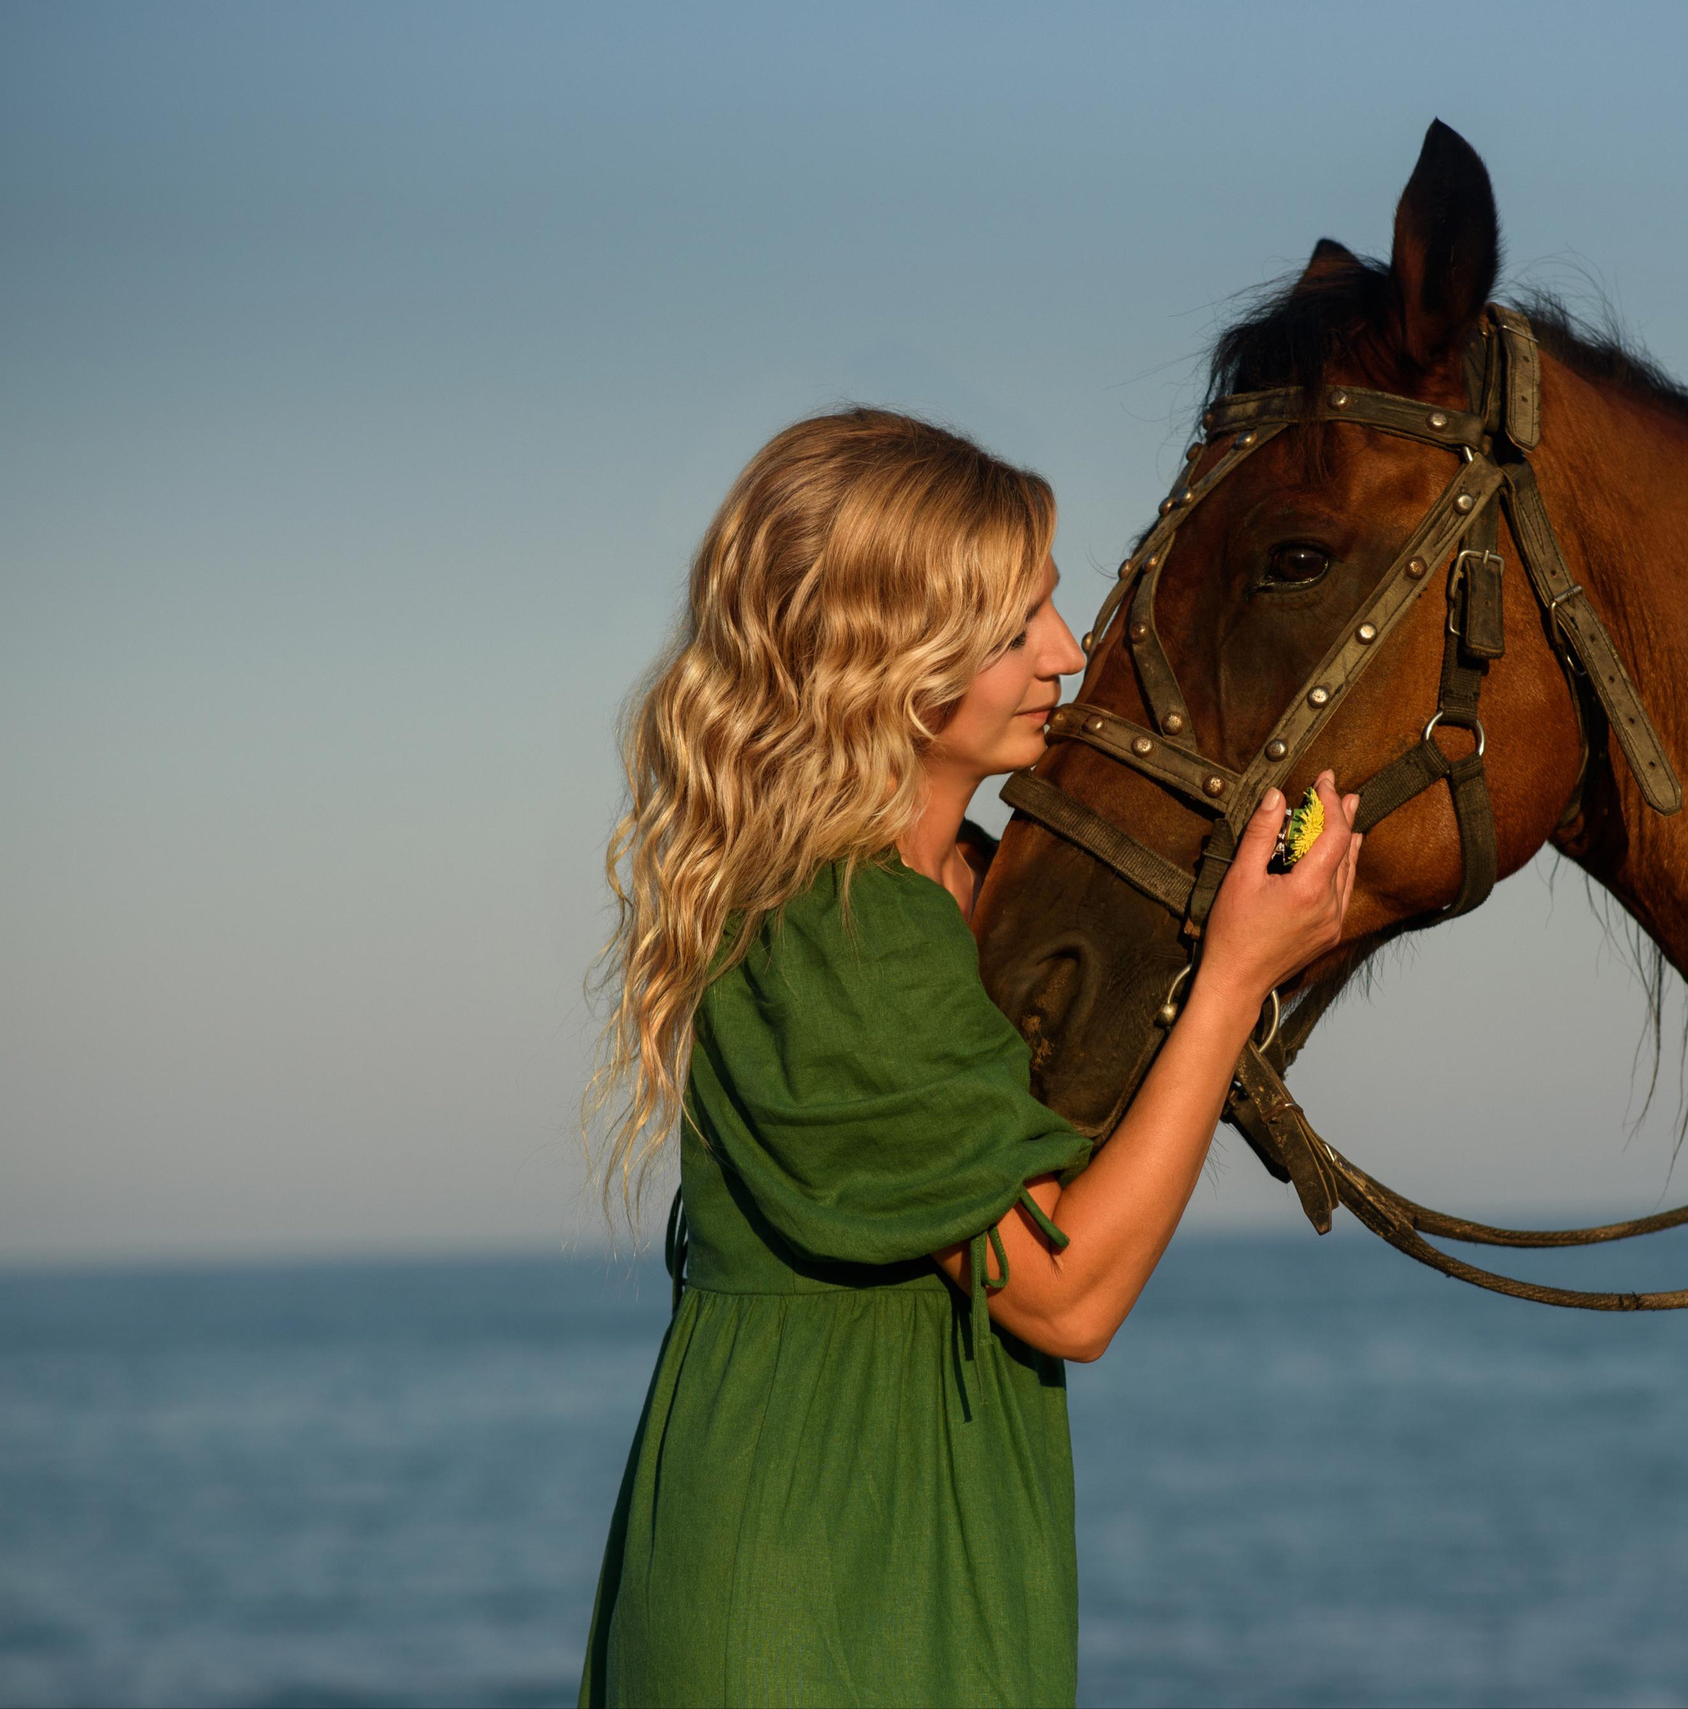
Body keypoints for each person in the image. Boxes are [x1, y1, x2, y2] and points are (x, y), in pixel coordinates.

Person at [578, 409, 1360, 1707]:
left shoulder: (976, 892)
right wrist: (1234, 974)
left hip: (923, 1551)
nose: (1063, 653)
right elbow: (1066, 1292)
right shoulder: (839, 927)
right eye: (1010, 633)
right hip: (812, 1588)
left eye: (1050, 608)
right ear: (881, 660)